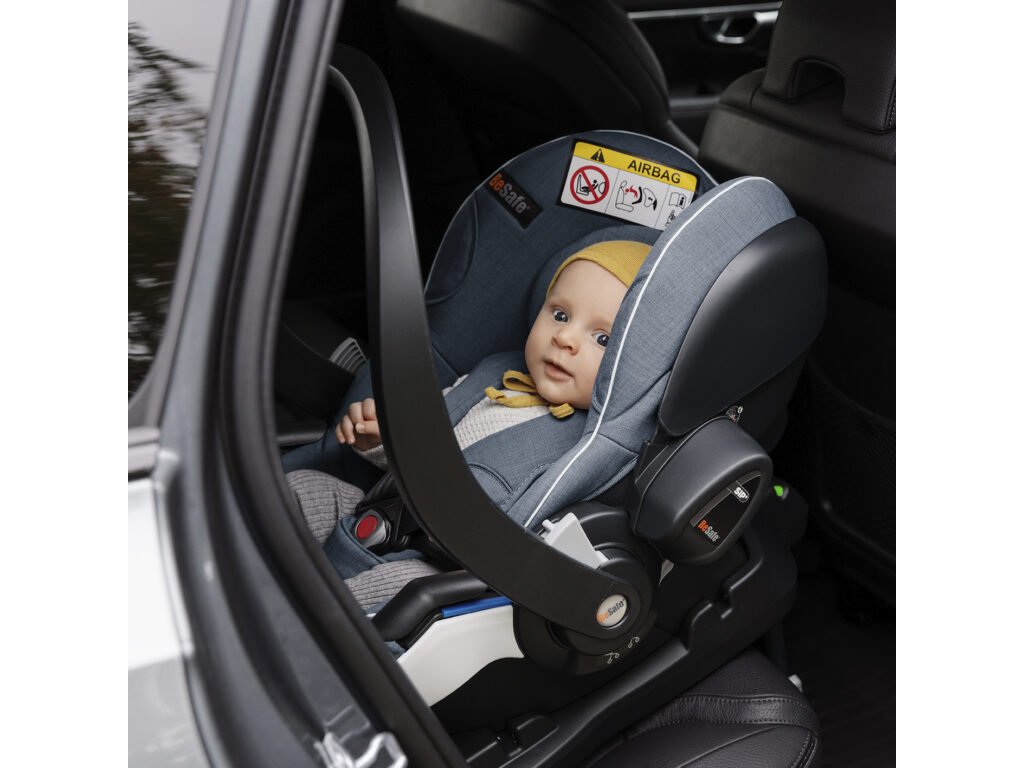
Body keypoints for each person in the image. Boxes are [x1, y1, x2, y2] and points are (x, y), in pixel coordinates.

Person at [287, 240, 651, 576]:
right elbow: (422, 442)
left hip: (440, 568)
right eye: (559, 315)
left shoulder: (590, 449)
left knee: (387, 588)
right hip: (386, 507)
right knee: (302, 488)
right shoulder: (495, 374)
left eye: (602, 338)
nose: (564, 338)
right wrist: (382, 439)